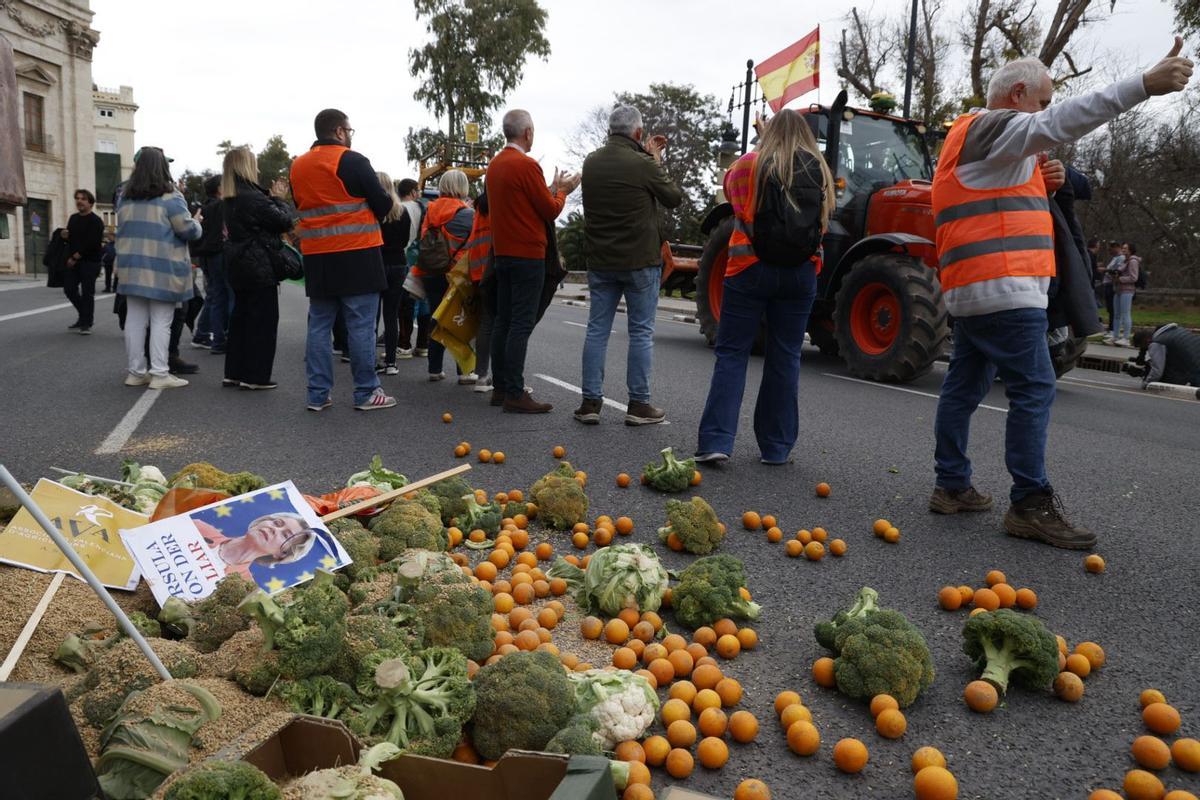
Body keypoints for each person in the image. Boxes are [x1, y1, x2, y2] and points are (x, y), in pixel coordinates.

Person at [928, 42, 1192, 550]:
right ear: (1019, 94)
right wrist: (1142, 84)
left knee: (963, 387)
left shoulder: (976, 143)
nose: (1046, 114)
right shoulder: (993, 127)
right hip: (1006, 292)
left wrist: (1045, 180)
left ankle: (953, 485)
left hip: (973, 291)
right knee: (1034, 387)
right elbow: (1061, 123)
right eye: (1043, 103)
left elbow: (1006, 200)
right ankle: (1029, 503)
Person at [694, 109, 834, 464]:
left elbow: (730, 193)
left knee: (733, 353)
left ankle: (716, 441)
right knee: (785, 357)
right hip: (800, 274)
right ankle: (776, 448)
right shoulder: (819, 171)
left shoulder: (748, 165)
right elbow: (822, 223)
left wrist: (760, 140)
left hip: (749, 268)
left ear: (769, 133)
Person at [576, 105, 683, 426]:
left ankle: (590, 403)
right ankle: (638, 404)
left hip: (601, 260)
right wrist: (653, 159)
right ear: (638, 134)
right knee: (640, 332)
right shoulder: (642, 164)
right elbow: (673, 197)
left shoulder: (591, 162)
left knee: (597, 330)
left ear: (610, 130)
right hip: (640, 260)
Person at [290, 109, 396, 411]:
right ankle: (366, 392)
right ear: (339, 131)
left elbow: (302, 205)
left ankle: (317, 394)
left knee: (319, 326)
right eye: (350, 130)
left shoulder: (297, 166)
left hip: (318, 257)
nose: (350, 135)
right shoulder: (353, 160)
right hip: (358, 255)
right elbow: (383, 204)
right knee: (361, 326)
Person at [486, 108, 579, 413]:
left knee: (503, 320)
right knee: (521, 324)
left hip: (502, 253)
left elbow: (525, 200)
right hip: (528, 254)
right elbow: (549, 211)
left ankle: (499, 388)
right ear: (527, 133)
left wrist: (550, 189)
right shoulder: (526, 165)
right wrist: (563, 192)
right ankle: (515, 392)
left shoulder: (496, 165)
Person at [115, 147, 201, 389]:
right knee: (161, 320)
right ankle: (160, 373)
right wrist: (197, 222)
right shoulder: (171, 198)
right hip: (162, 269)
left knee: (134, 320)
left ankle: (135, 371)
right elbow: (188, 231)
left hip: (131, 268)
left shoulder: (124, 197)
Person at [221, 146, 295, 390]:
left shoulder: (230, 197)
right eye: (255, 163)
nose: (259, 168)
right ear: (246, 166)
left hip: (237, 264)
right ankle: (256, 376)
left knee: (240, 320)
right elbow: (283, 222)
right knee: (262, 322)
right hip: (259, 264)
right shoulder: (253, 197)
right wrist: (278, 199)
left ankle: (234, 372)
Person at [414, 169, 474, 382]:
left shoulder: (429, 209)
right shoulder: (467, 214)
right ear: (463, 187)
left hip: (430, 270)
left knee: (436, 317)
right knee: (460, 319)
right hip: (455, 274)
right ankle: (464, 372)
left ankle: (434, 369)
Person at [193, 512, 322, 581]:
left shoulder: (243, 585)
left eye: (285, 535)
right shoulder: (197, 528)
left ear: (282, 554)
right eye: (277, 523)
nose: (274, 529)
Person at [376, 171, 410, 375]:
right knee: (391, 315)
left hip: (376, 263)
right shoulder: (402, 211)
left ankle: (368, 360)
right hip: (398, 264)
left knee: (371, 315)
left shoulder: (373, 211)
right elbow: (405, 241)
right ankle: (391, 362)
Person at [194, 175, 231, 353]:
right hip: (218, 253)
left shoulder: (204, 206)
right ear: (219, 189)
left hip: (205, 255)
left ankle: (201, 333)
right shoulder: (221, 205)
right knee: (221, 296)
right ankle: (219, 338)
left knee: (213, 295)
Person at [465, 189, 495, 393]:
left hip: (478, 272)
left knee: (486, 322)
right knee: (504, 324)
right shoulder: (499, 206)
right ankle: (506, 379)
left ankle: (481, 375)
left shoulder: (479, 208)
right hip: (496, 270)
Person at [63, 189, 105, 334]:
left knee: (88, 293)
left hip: (90, 262)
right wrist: (63, 235)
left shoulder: (96, 221)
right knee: (69, 289)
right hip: (73, 262)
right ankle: (84, 315)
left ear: (91, 203)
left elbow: (92, 243)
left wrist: (75, 256)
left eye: (83, 199)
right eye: (77, 198)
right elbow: (70, 240)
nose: (79, 201)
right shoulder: (73, 218)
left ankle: (86, 323)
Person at [1130, 324, 1200, 388]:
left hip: (1195, 367)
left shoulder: (1157, 343)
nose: (1147, 349)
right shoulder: (1173, 330)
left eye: (1144, 347)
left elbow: (1157, 371)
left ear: (1147, 341)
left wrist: (1147, 384)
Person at [1109, 242, 1140, 345]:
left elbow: (1134, 277)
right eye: (1123, 248)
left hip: (1127, 290)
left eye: (1125, 248)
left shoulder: (1133, 261)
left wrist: (1120, 279)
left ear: (1130, 250)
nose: (1123, 250)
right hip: (1118, 289)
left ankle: (1126, 338)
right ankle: (1115, 336)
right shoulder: (1124, 261)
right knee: (1116, 314)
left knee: (1125, 313)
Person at [1101, 240, 1123, 331]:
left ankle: (1113, 328)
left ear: (1116, 248)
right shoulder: (1114, 258)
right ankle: (1111, 327)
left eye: (1111, 249)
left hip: (1112, 285)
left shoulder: (1121, 258)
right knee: (1110, 308)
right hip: (1107, 284)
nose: (1109, 252)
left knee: (1113, 308)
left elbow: (1118, 271)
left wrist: (1105, 270)